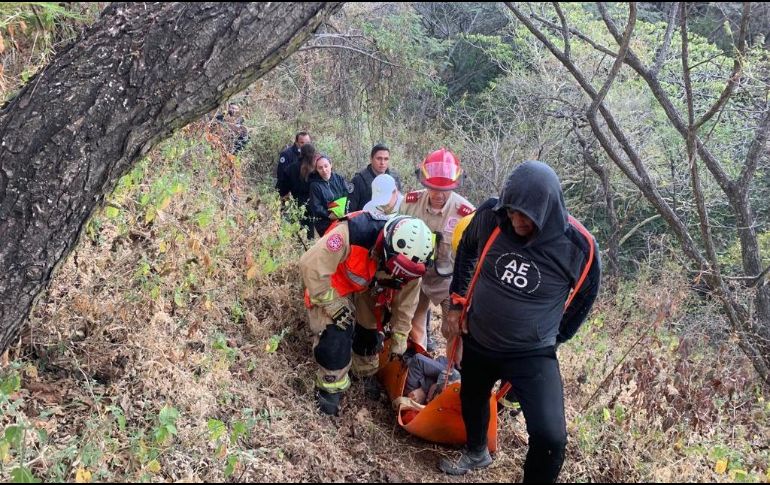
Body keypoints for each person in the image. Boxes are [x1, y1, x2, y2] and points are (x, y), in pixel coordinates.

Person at [439, 161, 601, 481]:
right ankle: (476, 452)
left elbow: (585, 296)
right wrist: (456, 306)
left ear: (548, 210)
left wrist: (556, 335)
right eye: (511, 212)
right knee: (472, 396)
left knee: (551, 437)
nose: (515, 221)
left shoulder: (578, 246)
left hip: (532, 353)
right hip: (480, 336)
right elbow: (467, 250)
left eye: (525, 215)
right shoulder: (491, 216)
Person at [299, 210, 434, 416]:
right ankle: (329, 387)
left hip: (367, 287)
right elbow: (311, 265)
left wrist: (400, 337)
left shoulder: (414, 264)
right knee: (338, 331)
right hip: (331, 285)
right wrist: (331, 303)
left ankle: (363, 371)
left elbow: (406, 304)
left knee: (370, 329)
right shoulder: (352, 233)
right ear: (387, 247)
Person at [401, 148, 474, 352]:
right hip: (415, 276)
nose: (439, 194)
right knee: (412, 323)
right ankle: (416, 361)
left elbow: (471, 260)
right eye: (433, 188)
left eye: (445, 189)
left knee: (452, 329)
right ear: (425, 183)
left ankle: (450, 374)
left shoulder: (466, 214)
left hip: (447, 281)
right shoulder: (409, 203)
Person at [347, 144, 403, 212]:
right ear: (371, 159)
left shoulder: (394, 178)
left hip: (391, 219)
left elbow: (400, 203)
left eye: (386, 159)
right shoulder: (358, 181)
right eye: (379, 158)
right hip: (367, 220)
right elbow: (350, 211)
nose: (382, 162)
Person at [308, 154, 350, 236]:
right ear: (317, 170)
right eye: (320, 168)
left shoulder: (339, 178)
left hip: (342, 217)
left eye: (326, 166)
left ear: (331, 165)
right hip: (325, 222)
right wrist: (329, 215)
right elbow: (316, 206)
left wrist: (343, 211)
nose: (324, 170)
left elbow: (347, 194)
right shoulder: (315, 185)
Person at [284, 143, 317, 238]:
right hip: (312, 205)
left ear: (300, 153)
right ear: (314, 155)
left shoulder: (290, 168)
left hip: (295, 204)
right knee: (310, 234)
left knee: (295, 232)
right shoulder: (316, 170)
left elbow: (283, 188)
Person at [276, 131, 311, 198]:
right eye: (302, 142)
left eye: (307, 143)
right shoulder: (286, 154)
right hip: (287, 191)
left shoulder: (310, 155)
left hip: (302, 191)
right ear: (296, 142)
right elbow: (281, 174)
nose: (305, 145)